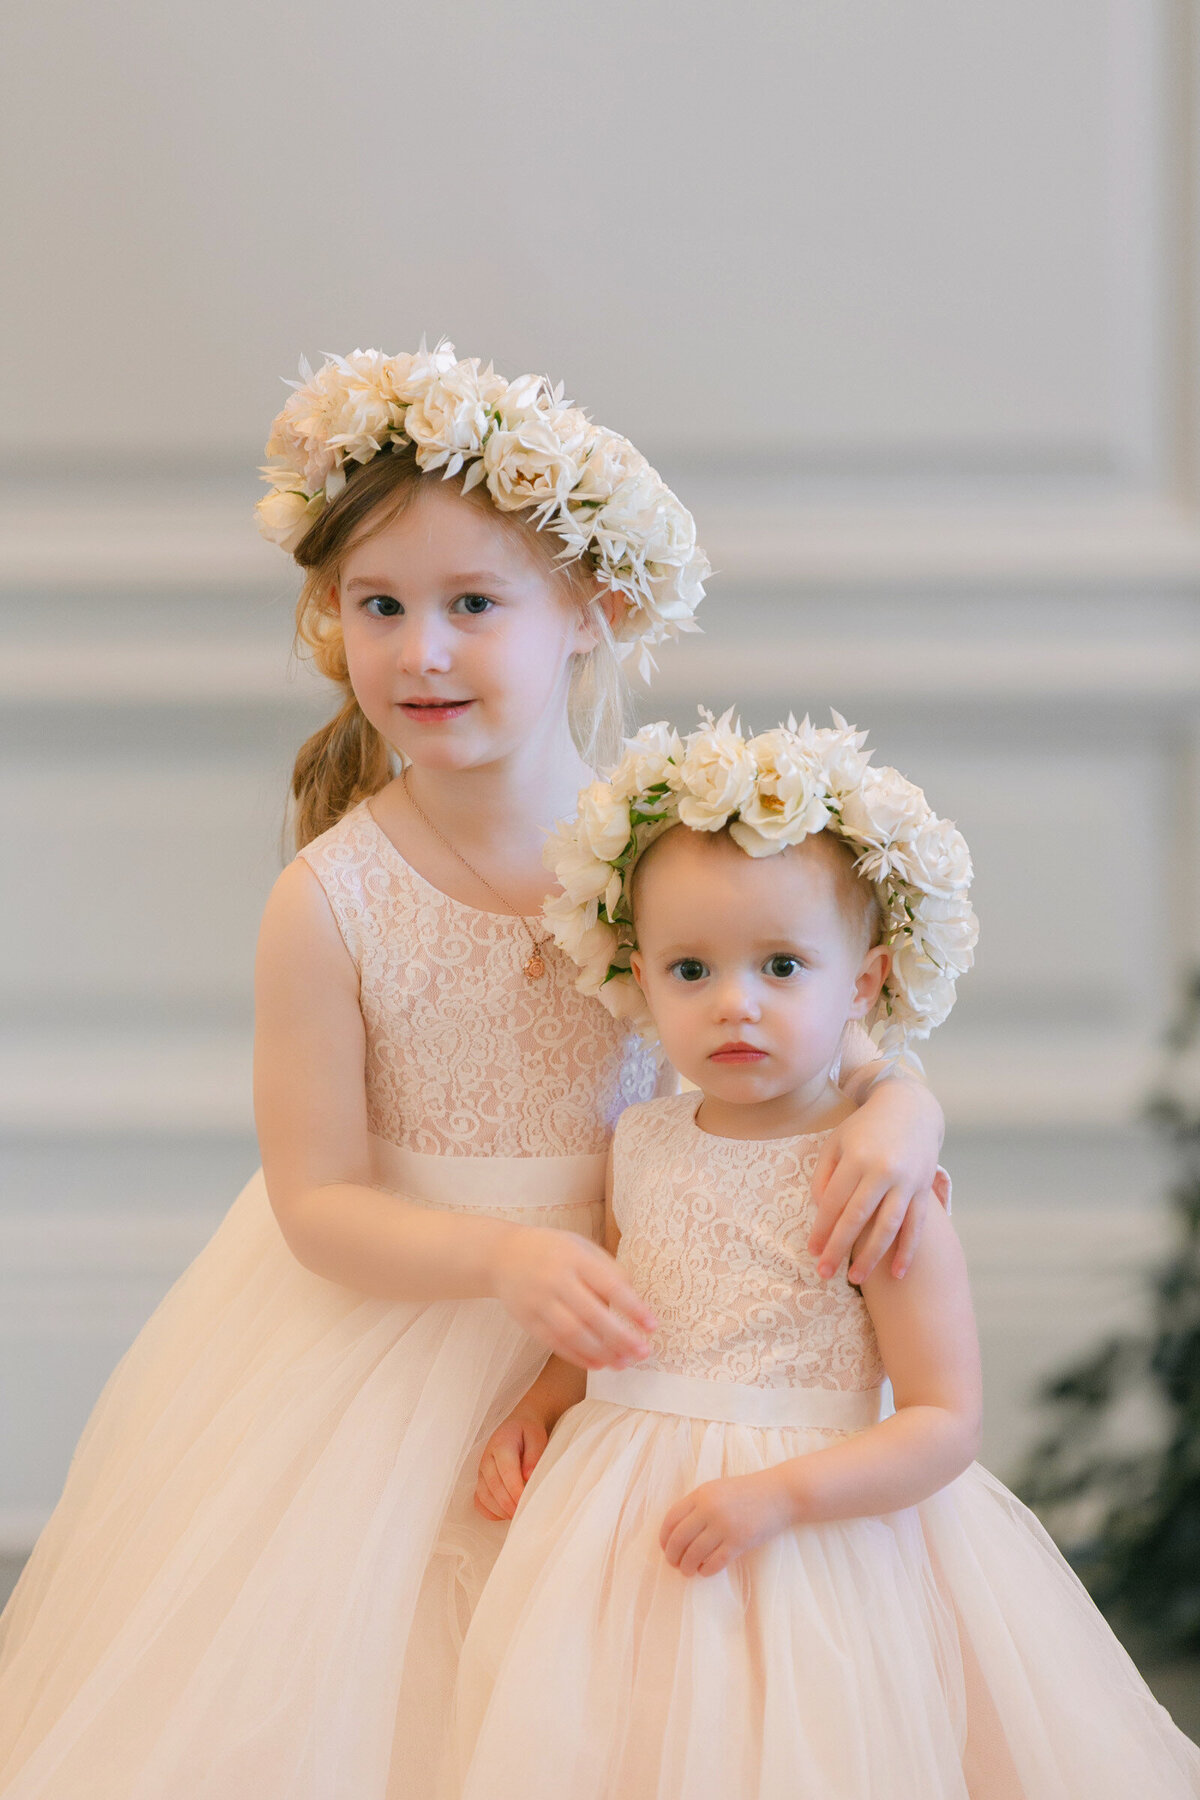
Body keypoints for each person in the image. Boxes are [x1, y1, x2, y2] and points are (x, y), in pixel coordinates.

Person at [0, 352, 945, 1800]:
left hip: (657, 1345)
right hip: (403, 1334)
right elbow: (316, 1200)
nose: (421, 653)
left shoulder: (662, 858)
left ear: (591, 612)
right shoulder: (330, 901)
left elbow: (841, 1042)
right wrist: (504, 1258)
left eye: (472, 606)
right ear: (334, 621)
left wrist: (906, 1116)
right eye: (380, 608)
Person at [453, 710, 1200, 1799]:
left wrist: (783, 1500)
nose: (735, 1003)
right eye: (692, 967)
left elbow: (944, 1424)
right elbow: (623, 1318)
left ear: (863, 982)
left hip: (808, 1537)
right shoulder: (644, 1137)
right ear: (640, 977)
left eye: (783, 965)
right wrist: (539, 1403)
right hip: (622, 1515)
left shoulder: (873, 1178)